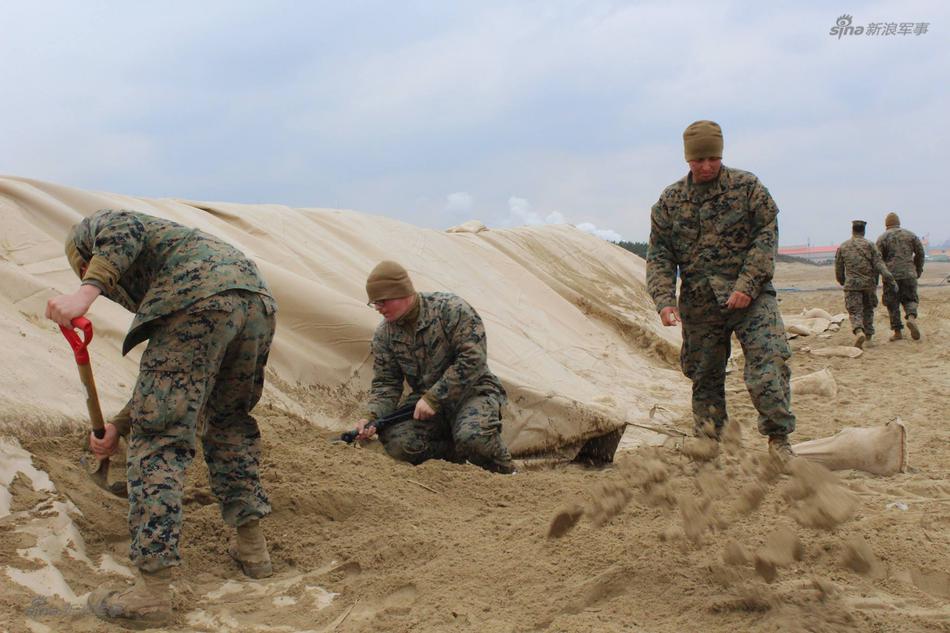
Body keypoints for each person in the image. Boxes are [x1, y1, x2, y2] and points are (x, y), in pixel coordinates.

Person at [46, 210, 277, 627]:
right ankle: (253, 552)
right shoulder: (182, 254)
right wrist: (119, 424)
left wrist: (84, 294)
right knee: (229, 424)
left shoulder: (101, 229)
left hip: (201, 301)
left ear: (87, 258)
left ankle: (151, 593)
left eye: (88, 268)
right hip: (256, 303)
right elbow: (175, 379)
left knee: (160, 442)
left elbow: (121, 229)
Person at [646, 120, 795, 461]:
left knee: (768, 362)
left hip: (752, 298)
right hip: (700, 304)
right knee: (705, 376)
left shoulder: (747, 187)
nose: (707, 166)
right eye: (699, 160)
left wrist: (747, 284)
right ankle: (710, 444)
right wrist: (664, 300)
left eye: (713, 158)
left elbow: (766, 237)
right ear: (688, 160)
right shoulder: (670, 201)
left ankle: (778, 440)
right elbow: (659, 256)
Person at [354, 261, 515, 474]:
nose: (377, 308)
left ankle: (508, 473)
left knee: (473, 438)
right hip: (424, 403)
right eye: (374, 303)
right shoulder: (385, 335)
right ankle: (455, 456)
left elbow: (473, 359)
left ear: (402, 293)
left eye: (382, 301)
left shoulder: (451, 310)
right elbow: (387, 384)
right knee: (397, 443)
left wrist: (435, 397)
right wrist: (371, 416)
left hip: (472, 392)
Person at [834, 219, 896, 348]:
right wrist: (889, 279)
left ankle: (858, 331)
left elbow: (839, 268)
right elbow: (879, 265)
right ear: (864, 231)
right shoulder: (871, 245)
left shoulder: (844, 246)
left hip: (852, 285)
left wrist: (843, 281)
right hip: (868, 284)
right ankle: (868, 338)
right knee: (868, 310)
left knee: (855, 311)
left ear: (853, 230)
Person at [876, 212, 925, 341]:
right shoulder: (911, 235)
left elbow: (877, 259)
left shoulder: (882, 238)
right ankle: (911, 318)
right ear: (898, 223)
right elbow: (920, 253)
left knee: (892, 304)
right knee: (910, 299)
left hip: (891, 276)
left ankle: (898, 332)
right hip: (909, 274)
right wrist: (917, 270)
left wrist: (881, 275)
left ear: (886, 224)